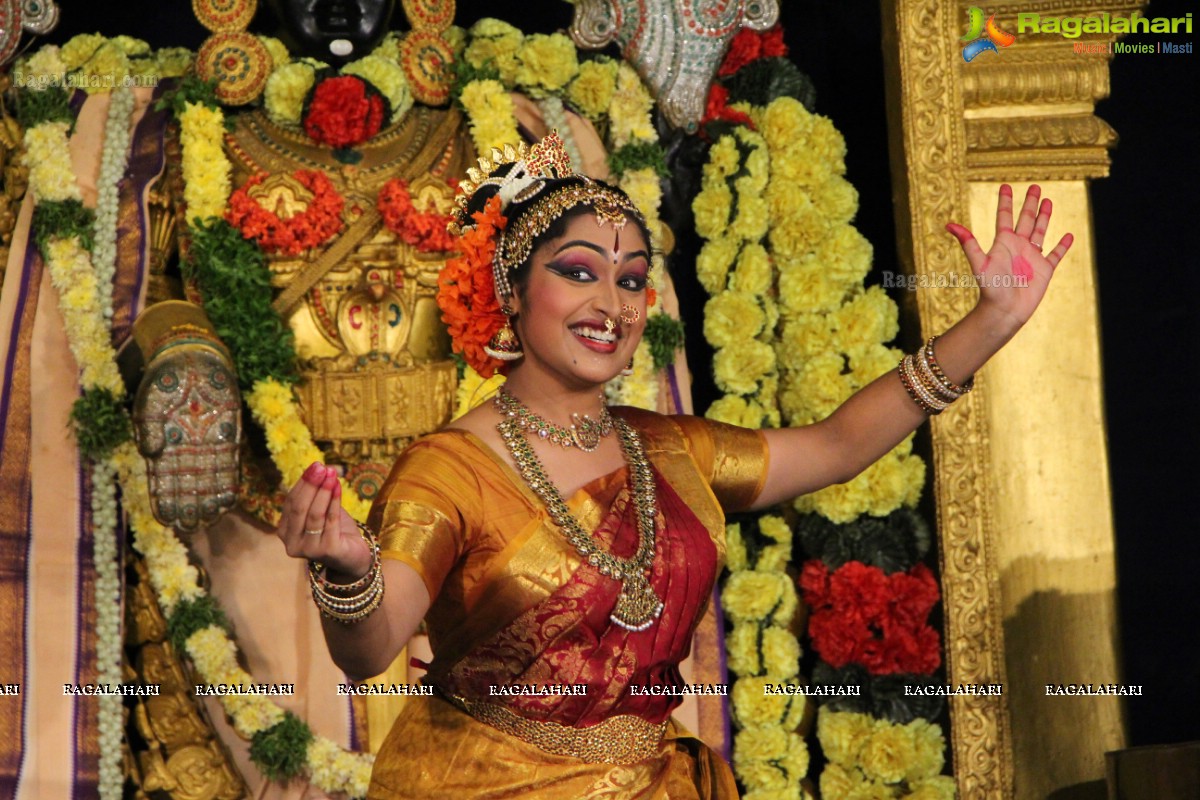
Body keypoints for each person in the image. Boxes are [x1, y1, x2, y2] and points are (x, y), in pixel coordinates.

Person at [273, 132, 1071, 798]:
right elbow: (370, 648)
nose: (612, 304)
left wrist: (991, 322)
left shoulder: (670, 451)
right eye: (577, 272)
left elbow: (836, 447)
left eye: (630, 281)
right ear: (510, 291)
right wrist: (347, 570)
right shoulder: (450, 469)